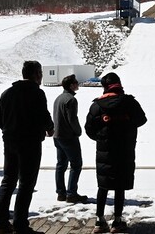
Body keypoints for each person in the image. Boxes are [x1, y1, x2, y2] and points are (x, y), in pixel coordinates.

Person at [0, 61, 55, 234]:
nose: (42, 76)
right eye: (41, 73)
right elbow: (44, 115)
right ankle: (20, 225)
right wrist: (49, 128)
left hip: (10, 142)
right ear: (36, 74)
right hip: (30, 144)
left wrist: (10, 130)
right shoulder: (36, 93)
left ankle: (1, 224)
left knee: (7, 181)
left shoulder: (7, 93)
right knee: (26, 184)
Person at [85, 72, 147, 234]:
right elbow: (142, 120)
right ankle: (117, 221)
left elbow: (89, 130)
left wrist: (101, 137)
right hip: (124, 150)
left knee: (103, 185)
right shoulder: (130, 103)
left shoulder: (97, 106)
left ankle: (99, 221)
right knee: (120, 186)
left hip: (104, 153)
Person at [53, 74, 88, 203]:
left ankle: (61, 193)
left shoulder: (58, 98)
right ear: (71, 85)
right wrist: (78, 131)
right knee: (76, 164)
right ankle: (71, 193)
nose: (78, 84)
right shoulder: (71, 100)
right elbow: (72, 119)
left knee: (61, 165)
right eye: (76, 82)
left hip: (58, 136)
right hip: (68, 137)